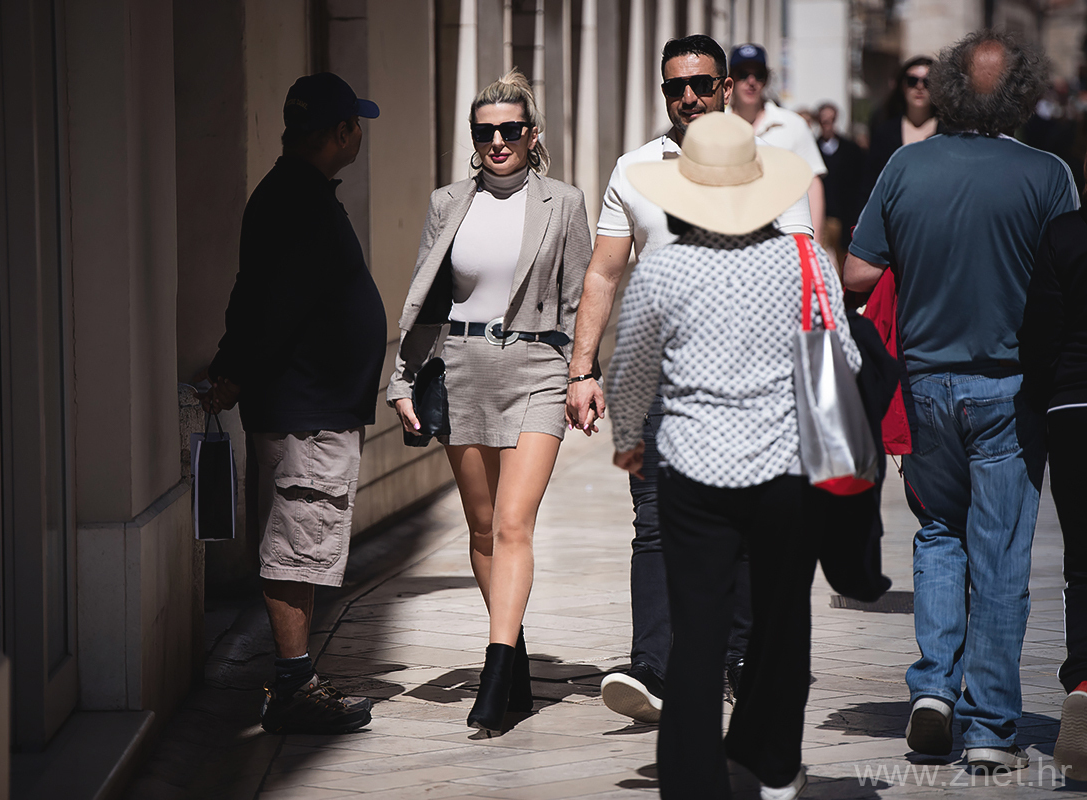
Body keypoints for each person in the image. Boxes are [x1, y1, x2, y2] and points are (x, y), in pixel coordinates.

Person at [845, 30, 1080, 771]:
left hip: (923, 386)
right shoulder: (1048, 175)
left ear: (946, 86)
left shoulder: (906, 165)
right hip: (1010, 388)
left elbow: (856, 274)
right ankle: (989, 726)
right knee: (1001, 555)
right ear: (1021, 94)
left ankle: (933, 692)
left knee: (939, 532)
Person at [565, 33, 814, 725]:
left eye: (702, 84)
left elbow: (800, 271)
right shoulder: (636, 169)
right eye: (676, 87)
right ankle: (654, 665)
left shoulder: (774, 168)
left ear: (727, 88)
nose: (689, 97)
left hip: (749, 382)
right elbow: (603, 274)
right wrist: (582, 369)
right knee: (654, 523)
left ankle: (741, 658)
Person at [609, 111, 855, 800]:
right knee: (781, 621)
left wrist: (629, 441)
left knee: (697, 634)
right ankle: (775, 764)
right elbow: (842, 363)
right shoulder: (806, 261)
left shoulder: (665, 269)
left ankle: (692, 782)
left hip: (692, 475)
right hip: (784, 474)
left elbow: (630, 376)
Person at [387, 69, 591, 734]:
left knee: (512, 524)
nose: (497, 141)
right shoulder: (448, 202)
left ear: (532, 135)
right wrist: (401, 378)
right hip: (462, 367)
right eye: (485, 132)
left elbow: (579, 299)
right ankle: (517, 651)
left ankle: (496, 669)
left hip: (538, 366)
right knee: (481, 527)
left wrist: (581, 374)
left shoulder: (564, 202)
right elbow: (426, 296)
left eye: (510, 129)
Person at [199, 72, 385, 735]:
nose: (359, 136)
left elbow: (257, 294)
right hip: (304, 408)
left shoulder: (292, 193)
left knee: (300, 545)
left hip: (311, 404)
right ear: (341, 131)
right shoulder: (295, 199)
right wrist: (235, 371)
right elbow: (267, 304)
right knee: (294, 545)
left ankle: (295, 679)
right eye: (355, 125)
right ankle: (293, 686)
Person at [1018, 151, 1087, 777]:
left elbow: (1040, 333)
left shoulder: (1064, 233)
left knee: (1082, 561)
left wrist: (1038, 403)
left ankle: (1085, 682)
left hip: (1074, 408)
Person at [728, 43, 828, 238]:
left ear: (766, 79)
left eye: (759, 75)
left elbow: (812, 183)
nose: (751, 82)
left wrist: (812, 244)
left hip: (783, 238)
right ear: (729, 80)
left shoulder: (793, 125)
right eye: (743, 74)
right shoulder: (715, 125)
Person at [861, 56, 937, 203]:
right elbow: (870, 184)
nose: (919, 86)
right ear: (902, 86)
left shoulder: (950, 131)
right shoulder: (884, 132)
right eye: (912, 81)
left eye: (928, 81)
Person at [816, 101, 864, 276]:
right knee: (819, 259)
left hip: (842, 216)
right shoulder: (812, 148)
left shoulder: (850, 150)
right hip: (820, 215)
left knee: (843, 261)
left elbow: (857, 183)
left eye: (831, 120)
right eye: (824, 121)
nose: (827, 125)